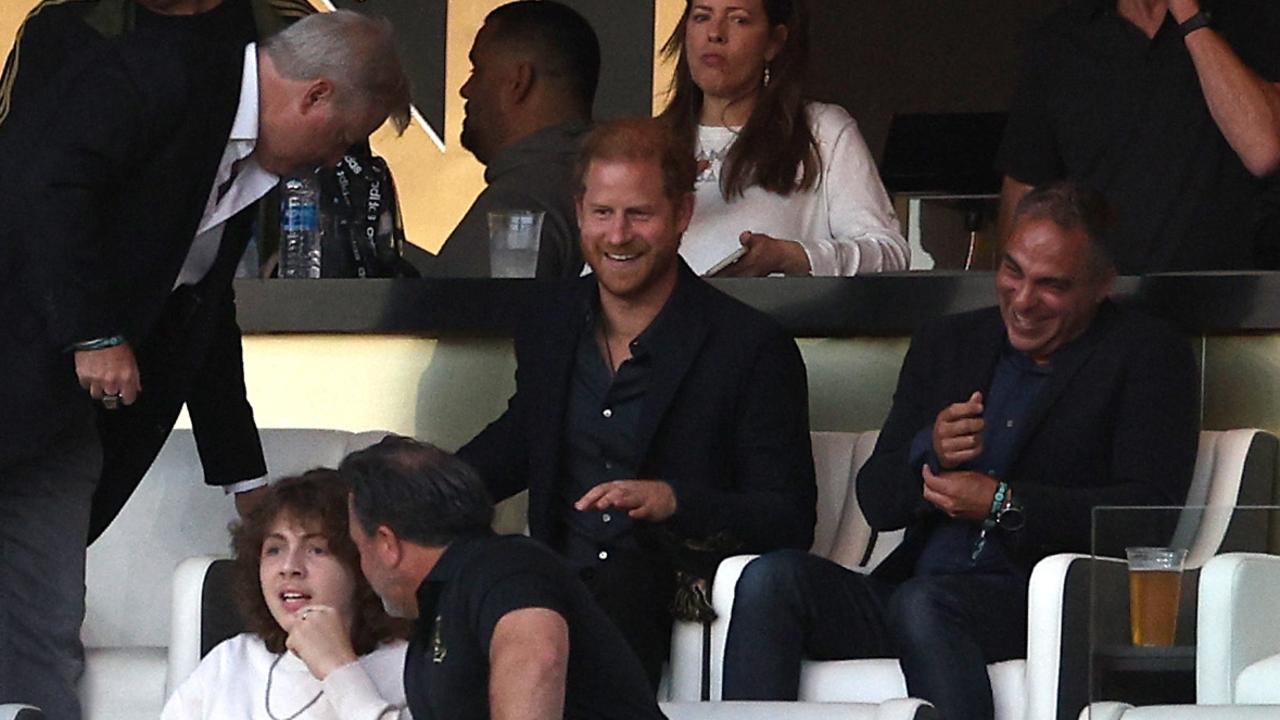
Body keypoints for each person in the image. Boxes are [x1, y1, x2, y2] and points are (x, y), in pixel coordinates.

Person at [0, 12, 410, 718]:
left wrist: (245, 478)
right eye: (341, 137)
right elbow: (48, 183)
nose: (331, 160)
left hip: (54, 425)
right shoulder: (158, 74)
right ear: (313, 96)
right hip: (20, 376)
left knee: (42, 631)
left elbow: (202, 318)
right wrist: (94, 334)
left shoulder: (244, 159)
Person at [719, 182, 1200, 720]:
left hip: (1038, 603)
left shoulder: (1148, 356)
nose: (1022, 301)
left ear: (1101, 285)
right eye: (1013, 271)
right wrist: (931, 449)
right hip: (912, 591)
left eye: (1052, 286)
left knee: (926, 605)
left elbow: (1145, 517)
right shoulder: (948, 343)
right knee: (770, 580)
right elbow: (879, 499)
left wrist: (1004, 504)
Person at [455, 117, 817, 687]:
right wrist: (412, 493)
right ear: (578, 214)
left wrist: (673, 499)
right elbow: (521, 438)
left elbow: (788, 517)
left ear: (682, 217)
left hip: (666, 581)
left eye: (638, 214)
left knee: (608, 590)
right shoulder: (550, 322)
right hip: (551, 579)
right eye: (602, 213)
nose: (617, 235)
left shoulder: (749, 346)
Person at [341, 436, 666, 720]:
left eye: (358, 547)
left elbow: (537, 656)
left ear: (386, 544)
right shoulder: (438, 602)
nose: (361, 567)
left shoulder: (504, 566)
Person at [997, 0, 1280, 272]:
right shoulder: (1061, 38)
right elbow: (1025, 186)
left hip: (1233, 305)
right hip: (1101, 306)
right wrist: (1011, 309)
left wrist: (1189, 15)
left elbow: (1264, 150)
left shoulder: (1252, 18)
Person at [657, 0, 907, 277]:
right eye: (702, 17)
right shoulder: (651, 143)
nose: (715, 33)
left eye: (739, 20)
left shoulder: (823, 130)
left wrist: (792, 257)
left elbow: (889, 252)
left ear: (773, 42)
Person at [162, 470, 411, 720]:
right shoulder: (230, 661)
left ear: (361, 564)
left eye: (316, 549)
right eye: (274, 550)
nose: (289, 567)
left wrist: (338, 670)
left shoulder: (407, 669)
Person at [413, 0, 598, 278]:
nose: (466, 90)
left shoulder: (521, 202)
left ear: (518, 82)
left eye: (477, 71)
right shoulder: (624, 191)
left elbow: (474, 318)